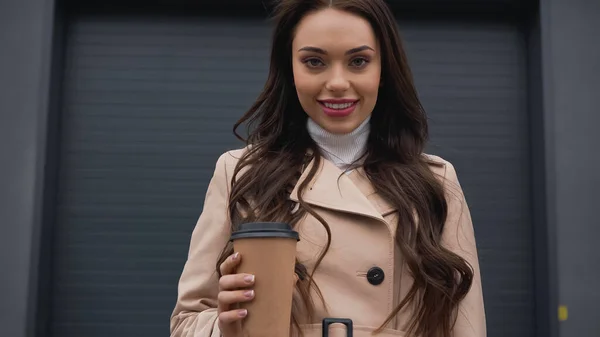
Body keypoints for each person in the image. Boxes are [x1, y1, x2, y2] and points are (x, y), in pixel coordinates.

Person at [169, 0, 486, 336]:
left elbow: (466, 326)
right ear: (290, 70)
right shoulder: (240, 172)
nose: (337, 82)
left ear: (384, 72)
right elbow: (187, 323)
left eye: (359, 61)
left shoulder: (435, 181)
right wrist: (225, 326)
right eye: (314, 62)